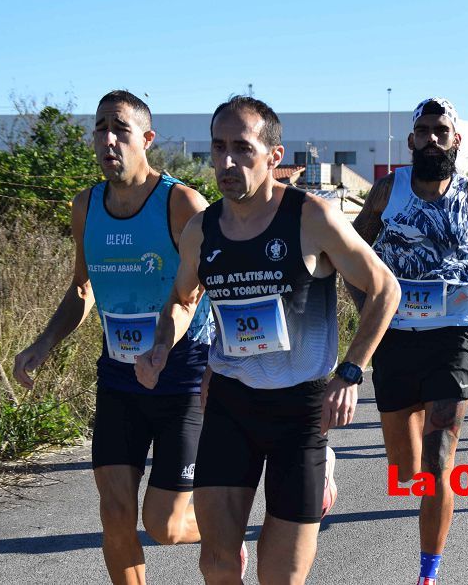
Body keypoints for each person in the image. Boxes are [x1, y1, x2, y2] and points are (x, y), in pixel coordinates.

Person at [134, 96, 399, 584]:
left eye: (242, 148)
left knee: (279, 577)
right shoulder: (201, 229)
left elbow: (385, 288)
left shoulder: (310, 217)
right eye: (218, 148)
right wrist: (159, 347)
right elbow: (181, 299)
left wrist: (351, 371)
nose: (227, 162)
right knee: (216, 562)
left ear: (274, 156)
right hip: (230, 403)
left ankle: (324, 476)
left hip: (302, 412)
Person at [12, 91, 213, 584]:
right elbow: (82, 289)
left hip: (183, 379)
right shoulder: (86, 206)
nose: (108, 140)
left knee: (163, 526)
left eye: (120, 129)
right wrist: (42, 345)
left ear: (146, 139)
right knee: (115, 514)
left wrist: (181, 355)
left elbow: (205, 292)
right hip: (120, 380)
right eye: (100, 128)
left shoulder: (180, 202)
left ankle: (222, 528)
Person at [352, 98, 468, 585]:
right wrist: (368, 309)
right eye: (423, 131)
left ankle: (428, 572)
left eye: (441, 131)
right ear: (411, 141)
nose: (432, 138)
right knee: (405, 470)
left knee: (438, 463)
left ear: (456, 140)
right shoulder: (389, 191)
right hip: (395, 337)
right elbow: (353, 253)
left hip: (454, 337)